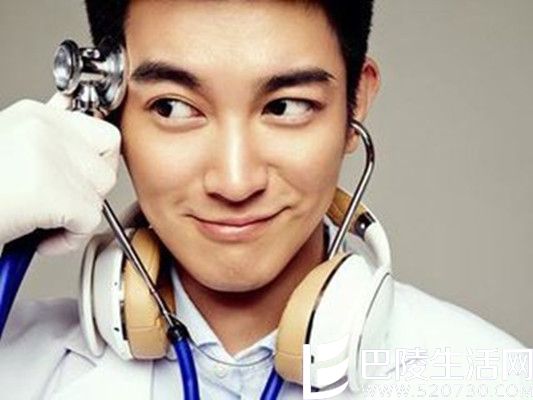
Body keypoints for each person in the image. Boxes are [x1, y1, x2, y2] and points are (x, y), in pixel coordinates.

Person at [0, 1, 530, 399]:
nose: (235, 182)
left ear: (356, 102)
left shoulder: (497, 381)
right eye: (173, 107)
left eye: (285, 106)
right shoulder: (13, 366)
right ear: (105, 109)